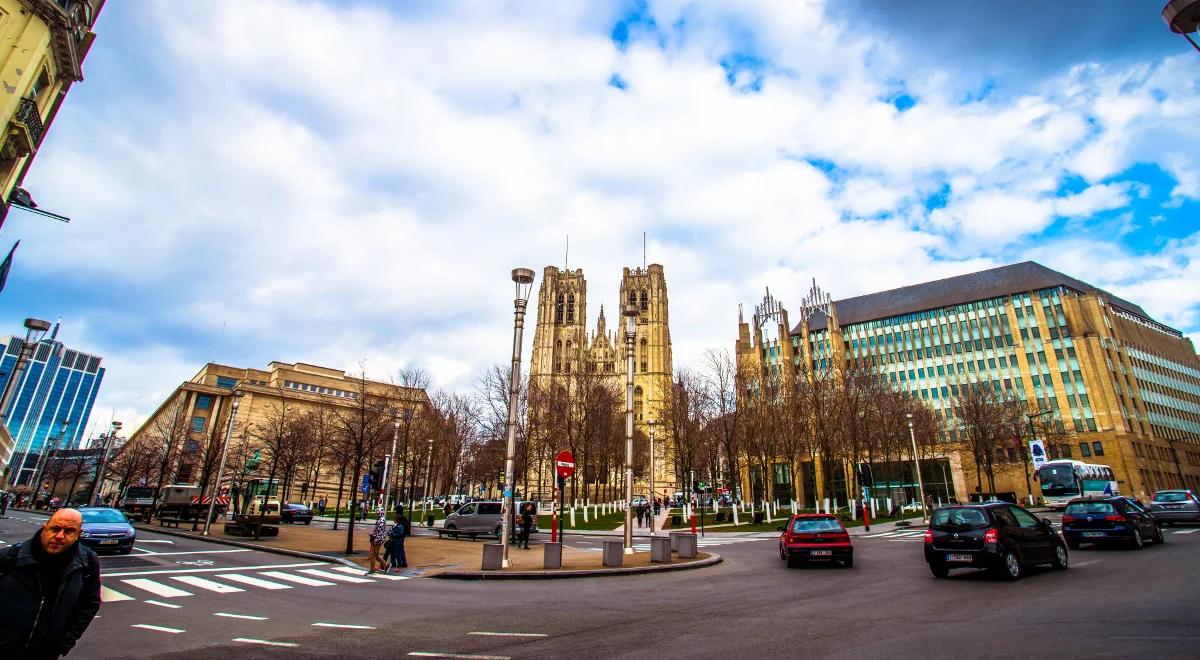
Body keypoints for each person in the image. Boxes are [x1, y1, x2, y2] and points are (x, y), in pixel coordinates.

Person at [0, 508, 101, 658]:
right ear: (44, 528)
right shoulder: (9, 557)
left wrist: (65, 641)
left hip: (46, 652)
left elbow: (89, 604)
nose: (60, 536)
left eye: (69, 531)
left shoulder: (87, 563)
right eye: (55, 528)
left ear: (78, 535)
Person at [366, 508, 388, 574]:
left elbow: (380, 531)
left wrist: (375, 538)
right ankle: (385, 565)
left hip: (378, 539)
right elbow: (377, 530)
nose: (376, 514)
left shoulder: (381, 520)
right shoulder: (380, 520)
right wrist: (372, 534)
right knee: (375, 554)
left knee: (373, 554)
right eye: (376, 513)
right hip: (378, 538)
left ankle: (373, 569)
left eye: (378, 513)